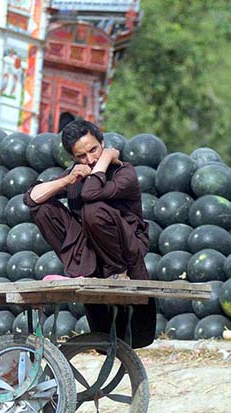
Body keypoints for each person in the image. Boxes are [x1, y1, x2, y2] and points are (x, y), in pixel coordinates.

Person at [23, 120, 155, 346]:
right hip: (92, 257)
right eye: (81, 156)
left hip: (126, 253)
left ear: (102, 142)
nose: (90, 159)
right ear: (73, 158)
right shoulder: (76, 174)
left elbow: (92, 193)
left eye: (94, 150)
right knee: (43, 208)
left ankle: (118, 273)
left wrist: (104, 161)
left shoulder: (125, 173)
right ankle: (86, 270)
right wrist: (67, 179)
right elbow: (31, 199)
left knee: (92, 209)